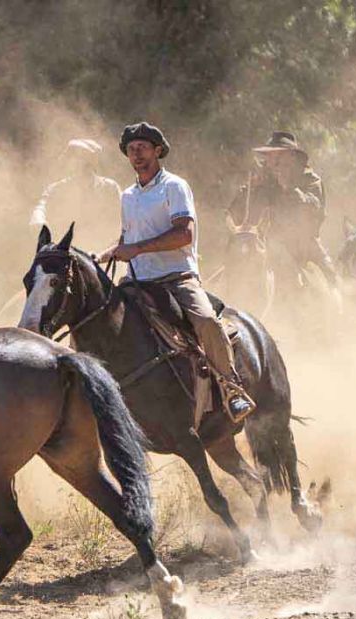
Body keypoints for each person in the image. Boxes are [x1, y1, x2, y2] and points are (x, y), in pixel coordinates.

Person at [97, 122, 255, 422]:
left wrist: (137, 249)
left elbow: (184, 234)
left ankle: (232, 389)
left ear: (158, 151)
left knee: (207, 321)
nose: (136, 154)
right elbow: (128, 240)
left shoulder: (174, 186)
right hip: (137, 281)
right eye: (131, 150)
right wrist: (106, 254)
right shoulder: (128, 195)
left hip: (176, 279)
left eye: (143, 147)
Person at [225, 131, 336, 282]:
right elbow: (239, 213)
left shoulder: (309, 179)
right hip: (268, 242)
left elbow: (315, 208)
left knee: (331, 278)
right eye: (269, 155)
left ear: (291, 156)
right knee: (234, 269)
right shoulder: (264, 179)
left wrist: (289, 189)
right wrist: (251, 189)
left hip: (304, 244)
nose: (270, 160)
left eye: (276, 155)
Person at [29, 138, 122, 236]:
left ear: (92, 162)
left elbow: (125, 213)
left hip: (105, 246)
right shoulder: (57, 189)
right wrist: (38, 219)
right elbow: (42, 205)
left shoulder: (110, 187)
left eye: (84, 160)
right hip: (65, 247)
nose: (79, 164)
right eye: (75, 159)